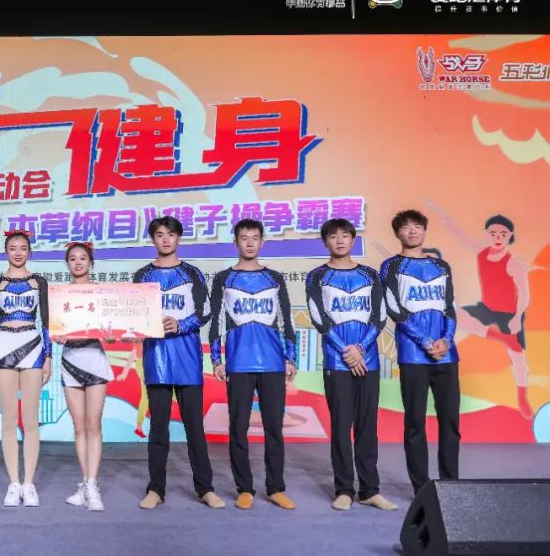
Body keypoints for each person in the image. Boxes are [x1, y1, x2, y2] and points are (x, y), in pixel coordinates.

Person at [305, 219, 397, 511]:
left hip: (367, 361)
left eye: (345, 235)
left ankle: (370, 490)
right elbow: (320, 318)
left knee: (367, 427)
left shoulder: (370, 275)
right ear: (325, 242)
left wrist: (361, 350)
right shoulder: (317, 276)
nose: (340, 240)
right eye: (333, 236)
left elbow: (378, 316)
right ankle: (344, 489)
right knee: (342, 426)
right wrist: (347, 352)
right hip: (337, 361)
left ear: (353, 240)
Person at [134, 217, 224, 510]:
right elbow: (134, 316)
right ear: (153, 239)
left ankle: (205, 489)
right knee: (158, 428)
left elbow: (206, 312)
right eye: (159, 235)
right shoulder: (142, 275)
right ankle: (155, 489)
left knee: (194, 428)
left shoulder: (192, 273)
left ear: (178, 238)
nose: (165, 240)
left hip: (187, 359)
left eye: (170, 234)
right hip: (156, 359)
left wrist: (181, 324)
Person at [209, 218, 297, 511]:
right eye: (244, 237)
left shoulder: (274, 278)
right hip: (238, 363)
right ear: (235, 242)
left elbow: (286, 319)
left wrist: (291, 357)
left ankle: (275, 488)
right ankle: (244, 488)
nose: (249, 242)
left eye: (254, 237)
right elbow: (215, 321)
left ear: (262, 242)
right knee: (238, 428)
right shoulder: (224, 278)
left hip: (272, 363)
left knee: (274, 429)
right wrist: (217, 359)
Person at [380, 209, 460, 495]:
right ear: (397, 233)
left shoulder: (441, 266)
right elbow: (394, 309)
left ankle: (451, 484)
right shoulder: (391, 266)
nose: (412, 231)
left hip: (446, 355)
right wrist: (426, 342)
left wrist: (446, 340)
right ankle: (421, 487)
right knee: (415, 422)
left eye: (417, 226)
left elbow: (449, 306)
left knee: (450, 422)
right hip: (413, 355)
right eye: (405, 227)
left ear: (425, 231)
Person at [435, 212, 531, 418]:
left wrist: (517, 318)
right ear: (487, 234)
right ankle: (500, 337)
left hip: (510, 314)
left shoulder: (514, 263)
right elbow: (462, 238)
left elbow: (524, 293)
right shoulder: (481, 252)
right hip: (487, 308)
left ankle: (522, 395)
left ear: (510, 236)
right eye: (493, 233)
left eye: (502, 234)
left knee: (517, 355)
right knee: (455, 315)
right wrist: (448, 222)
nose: (497, 237)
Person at [0, 229, 51, 507]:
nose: (17, 252)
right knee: (9, 420)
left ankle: (29, 483)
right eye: (13, 248)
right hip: (4, 347)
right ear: (6, 251)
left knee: (31, 419)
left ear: (29, 252)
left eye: (23, 248)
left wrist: (48, 356)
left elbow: (46, 321)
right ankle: (14, 483)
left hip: (32, 347)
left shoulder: (39, 282)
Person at [53, 241, 117, 512]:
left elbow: (111, 332)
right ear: (67, 264)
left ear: (91, 262)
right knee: (78, 426)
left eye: (82, 258)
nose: (78, 262)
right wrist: (57, 336)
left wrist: (111, 332)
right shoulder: (59, 295)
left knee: (93, 424)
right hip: (70, 360)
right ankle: (86, 482)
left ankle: (92, 484)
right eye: (73, 259)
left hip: (94, 360)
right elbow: (55, 330)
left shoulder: (101, 293)